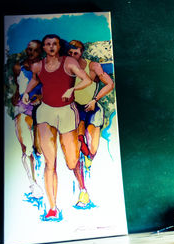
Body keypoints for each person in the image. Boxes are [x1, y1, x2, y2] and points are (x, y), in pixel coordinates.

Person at [22, 34, 92, 219]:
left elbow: (87, 80)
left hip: (67, 112)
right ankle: (52, 208)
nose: (51, 47)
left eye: (54, 44)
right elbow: (35, 79)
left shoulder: (68, 62)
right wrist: (27, 93)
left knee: (71, 161)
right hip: (46, 112)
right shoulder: (38, 65)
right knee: (49, 162)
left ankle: (82, 187)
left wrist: (72, 89)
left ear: (59, 46)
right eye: (47, 44)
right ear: (43, 47)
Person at [68, 40, 114, 207]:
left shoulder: (93, 66)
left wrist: (95, 99)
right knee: (77, 148)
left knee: (92, 150)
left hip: (92, 107)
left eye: (76, 52)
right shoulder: (66, 68)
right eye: (70, 53)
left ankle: (89, 160)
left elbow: (110, 84)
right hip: (74, 111)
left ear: (82, 52)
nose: (73, 56)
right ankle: (83, 191)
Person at [12, 40, 44, 198]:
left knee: (39, 150)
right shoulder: (19, 67)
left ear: (40, 52)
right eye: (29, 49)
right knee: (27, 148)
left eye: (34, 50)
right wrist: (16, 97)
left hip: (41, 111)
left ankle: (41, 179)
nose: (31, 52)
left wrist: (40, 97)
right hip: (23, 110)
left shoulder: (45, 67)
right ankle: (33, 183)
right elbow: (18, 87)